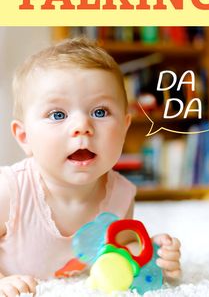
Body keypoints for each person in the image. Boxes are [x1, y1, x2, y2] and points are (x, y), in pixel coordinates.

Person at [0, 37, 181, 296]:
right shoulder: (10, 190)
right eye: (58, 115)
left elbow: (117, 248)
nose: (82, 126)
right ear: (24, 137)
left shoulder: (121, 194)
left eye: (100, 112)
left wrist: (152, 254)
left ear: (124, 127)